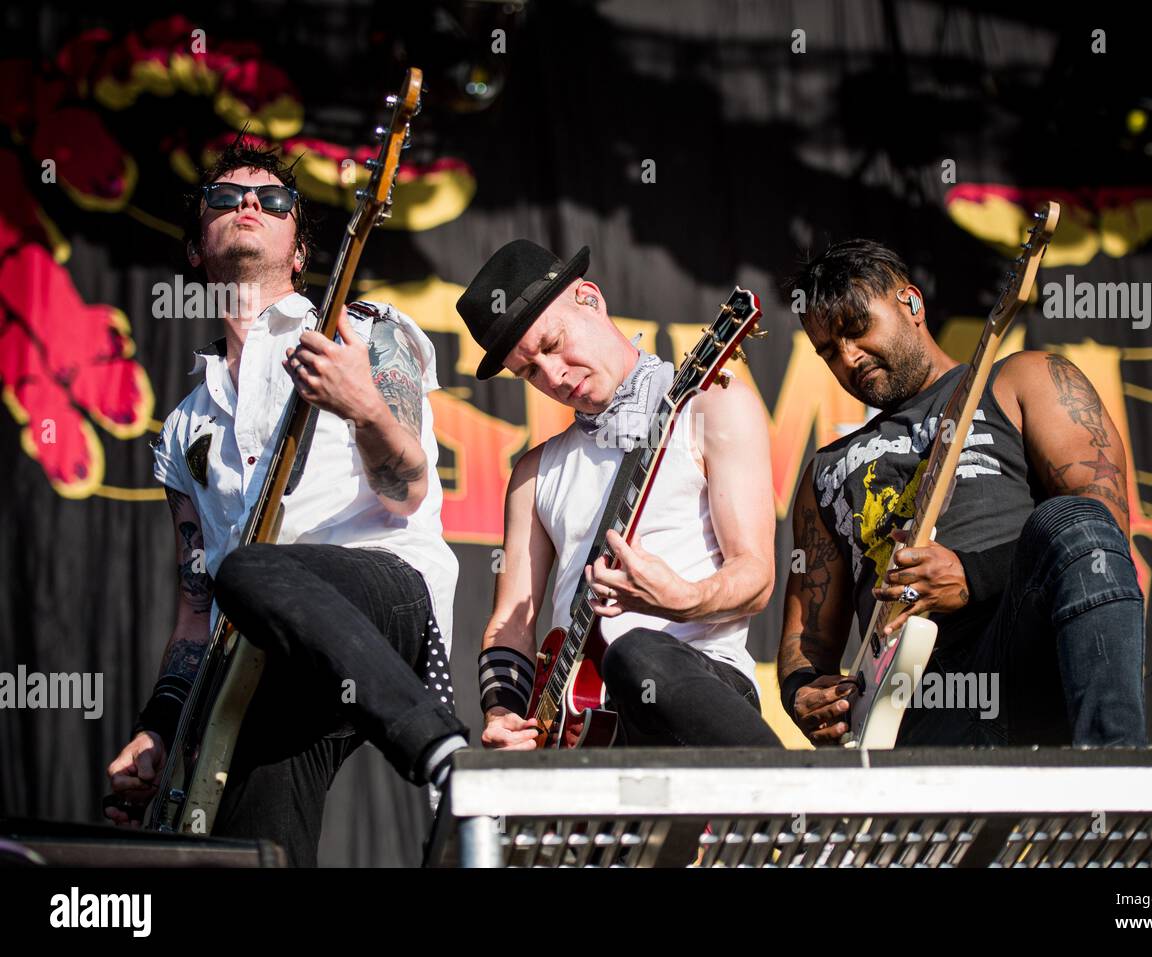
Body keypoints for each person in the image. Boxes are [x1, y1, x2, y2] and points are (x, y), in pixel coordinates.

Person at [104, 140, 467, 865]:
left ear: (299, 249)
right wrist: (157, 726)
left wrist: (365, 407)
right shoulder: (184, 423)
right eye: (225, 197)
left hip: (385, 595)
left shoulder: (362, 331)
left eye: (272, 201)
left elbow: (411, 489)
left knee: (251, 570)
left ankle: (448, 757)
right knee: (255, 838)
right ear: (194, 248)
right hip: (269, 656)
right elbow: (195, 604)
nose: (248, 205)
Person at [778, 239, 1147, 749]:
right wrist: (802, 692)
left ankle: (1118, 774)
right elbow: (807, 640)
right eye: (828, 351)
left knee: (1071, 518)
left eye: (857, 330)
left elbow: (1101, 529)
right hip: (909, 706)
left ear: (911, 303)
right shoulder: (825, 469)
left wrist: (973, 576)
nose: (849, 358)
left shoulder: (1024, 380)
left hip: (1021, 658)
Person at [458, 239, 782, 750]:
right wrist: (502, 713)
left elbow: (757, 577)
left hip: (695, 692)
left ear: (589, 298)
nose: (554, 376)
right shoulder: (533, 473)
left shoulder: (711, 404)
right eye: (529, 372)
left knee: (636, 654)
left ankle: (786, 793)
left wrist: (684, 599)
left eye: (551, 345)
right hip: (580, 724)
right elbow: (509, 624)